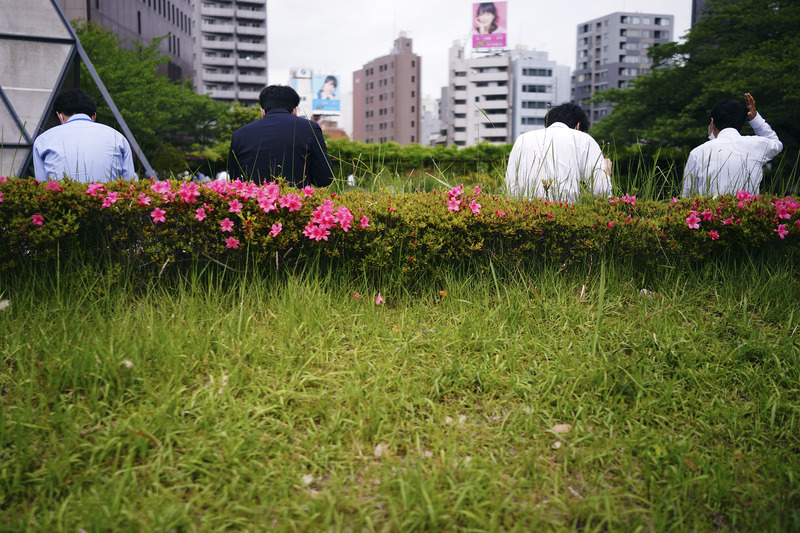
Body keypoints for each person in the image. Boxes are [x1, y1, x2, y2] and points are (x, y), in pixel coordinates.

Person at [227, 85, 334, 187]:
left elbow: (234, 180)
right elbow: (325, 179)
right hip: (295, 203)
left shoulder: (239, 134)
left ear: (262, 111)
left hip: (253, 203)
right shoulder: (310, 128)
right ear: (295, 110)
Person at [505, 102, 612, 201]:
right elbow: (601, 190)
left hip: (526, 215)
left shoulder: (523, 139)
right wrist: (605, 170)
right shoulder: (583, 139)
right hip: (565, 214)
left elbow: (510, 185)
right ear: (578, 125)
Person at [682, 93, 782, 197]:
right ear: (742, 126)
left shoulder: (698, 153)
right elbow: (776, 142)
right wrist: (755, 119)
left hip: (710, 212)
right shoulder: (757, 144)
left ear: (712, 123)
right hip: (749, 212)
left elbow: (686, 196)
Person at [32, 89, 135, 182]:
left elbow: (42, 187)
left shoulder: (43, 140)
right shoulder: (118, 138)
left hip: (60, 201)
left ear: (60, 116)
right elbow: (129, 182)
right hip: (106, 201)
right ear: (94, 116)